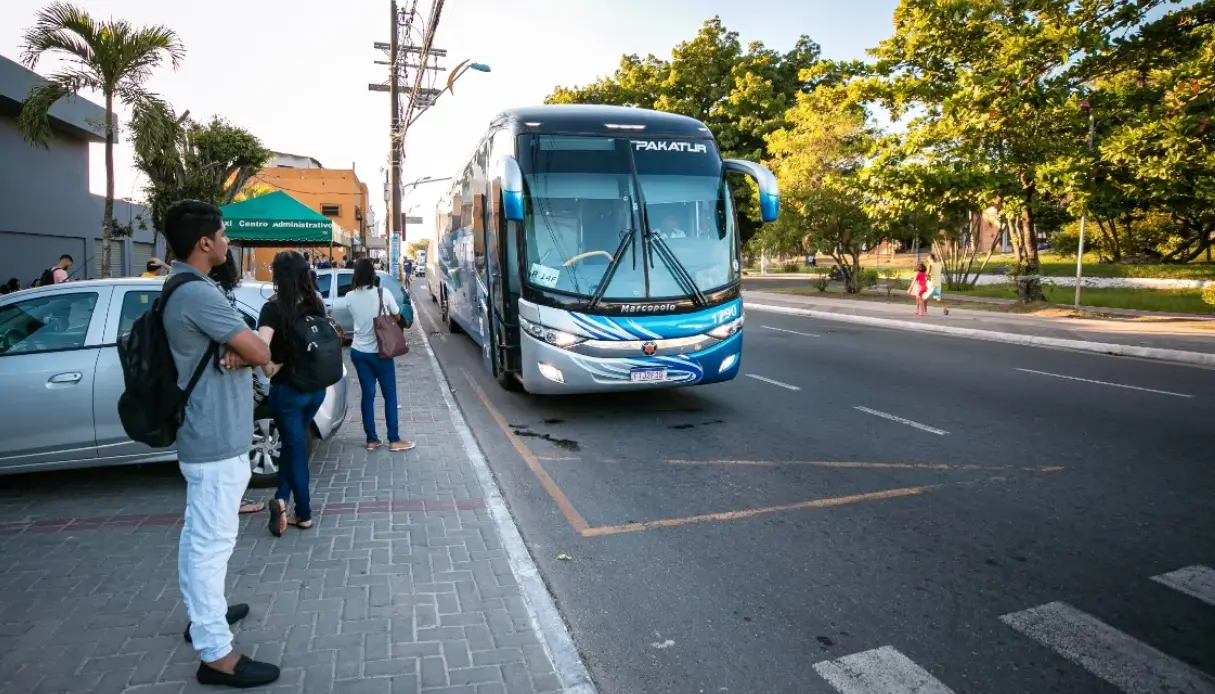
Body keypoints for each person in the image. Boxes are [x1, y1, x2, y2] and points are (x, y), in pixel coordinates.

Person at [160, 200, 279, 688]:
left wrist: (240, 347)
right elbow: (262, 350)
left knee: (198, 539)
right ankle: (216, 655)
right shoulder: (195, 293)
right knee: (211, 545)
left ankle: (204, 616)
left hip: (208, 435)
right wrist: (244, 346)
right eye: (223, 234)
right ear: (204, 243)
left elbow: (247, 349)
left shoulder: (185, 286)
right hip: (214, 440)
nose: (228, 241)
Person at [257, 251, 332, 535]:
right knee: (292, 445)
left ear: (277, 276)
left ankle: (305, 513)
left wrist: (269, 368)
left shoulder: (273, 308)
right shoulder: (315, 302)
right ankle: (281, 498)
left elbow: (262, 348)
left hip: (287, 390)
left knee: (296, 448)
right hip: (316, 389)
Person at [208, 250, 266, 517]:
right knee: (232, 441)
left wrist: (239, 348)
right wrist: (241, 349)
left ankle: (232, 497)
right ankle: (233, 498)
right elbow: (253, 347)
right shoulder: (216, 293)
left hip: (225, 377)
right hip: (225, 379)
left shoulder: (213, 292)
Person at [346, 258, 415, 452]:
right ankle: (394, 440)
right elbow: (397, 316)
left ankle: (372, 440)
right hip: (381, 353)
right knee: (390, 396)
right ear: (372, 274)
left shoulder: (349, 297)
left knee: (368, 395)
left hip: (359, 352)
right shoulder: (383, 294)